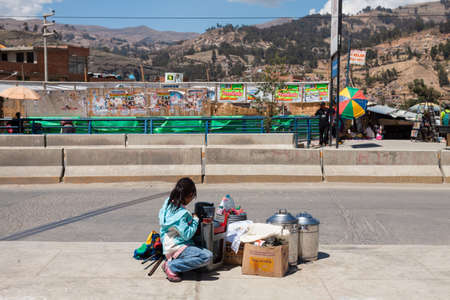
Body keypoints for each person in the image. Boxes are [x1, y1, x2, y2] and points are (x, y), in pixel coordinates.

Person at [159, 177, 212, 282]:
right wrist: (195, 219)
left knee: (198, 244)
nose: (191, 199)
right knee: (207, 256)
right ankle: (172, 266)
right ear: (189, 195)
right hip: (177, 246)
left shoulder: (168, 203)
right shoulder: (182, 214)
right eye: (192, 197)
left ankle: (174, 261)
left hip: (167, 242)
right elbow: (187, 235)